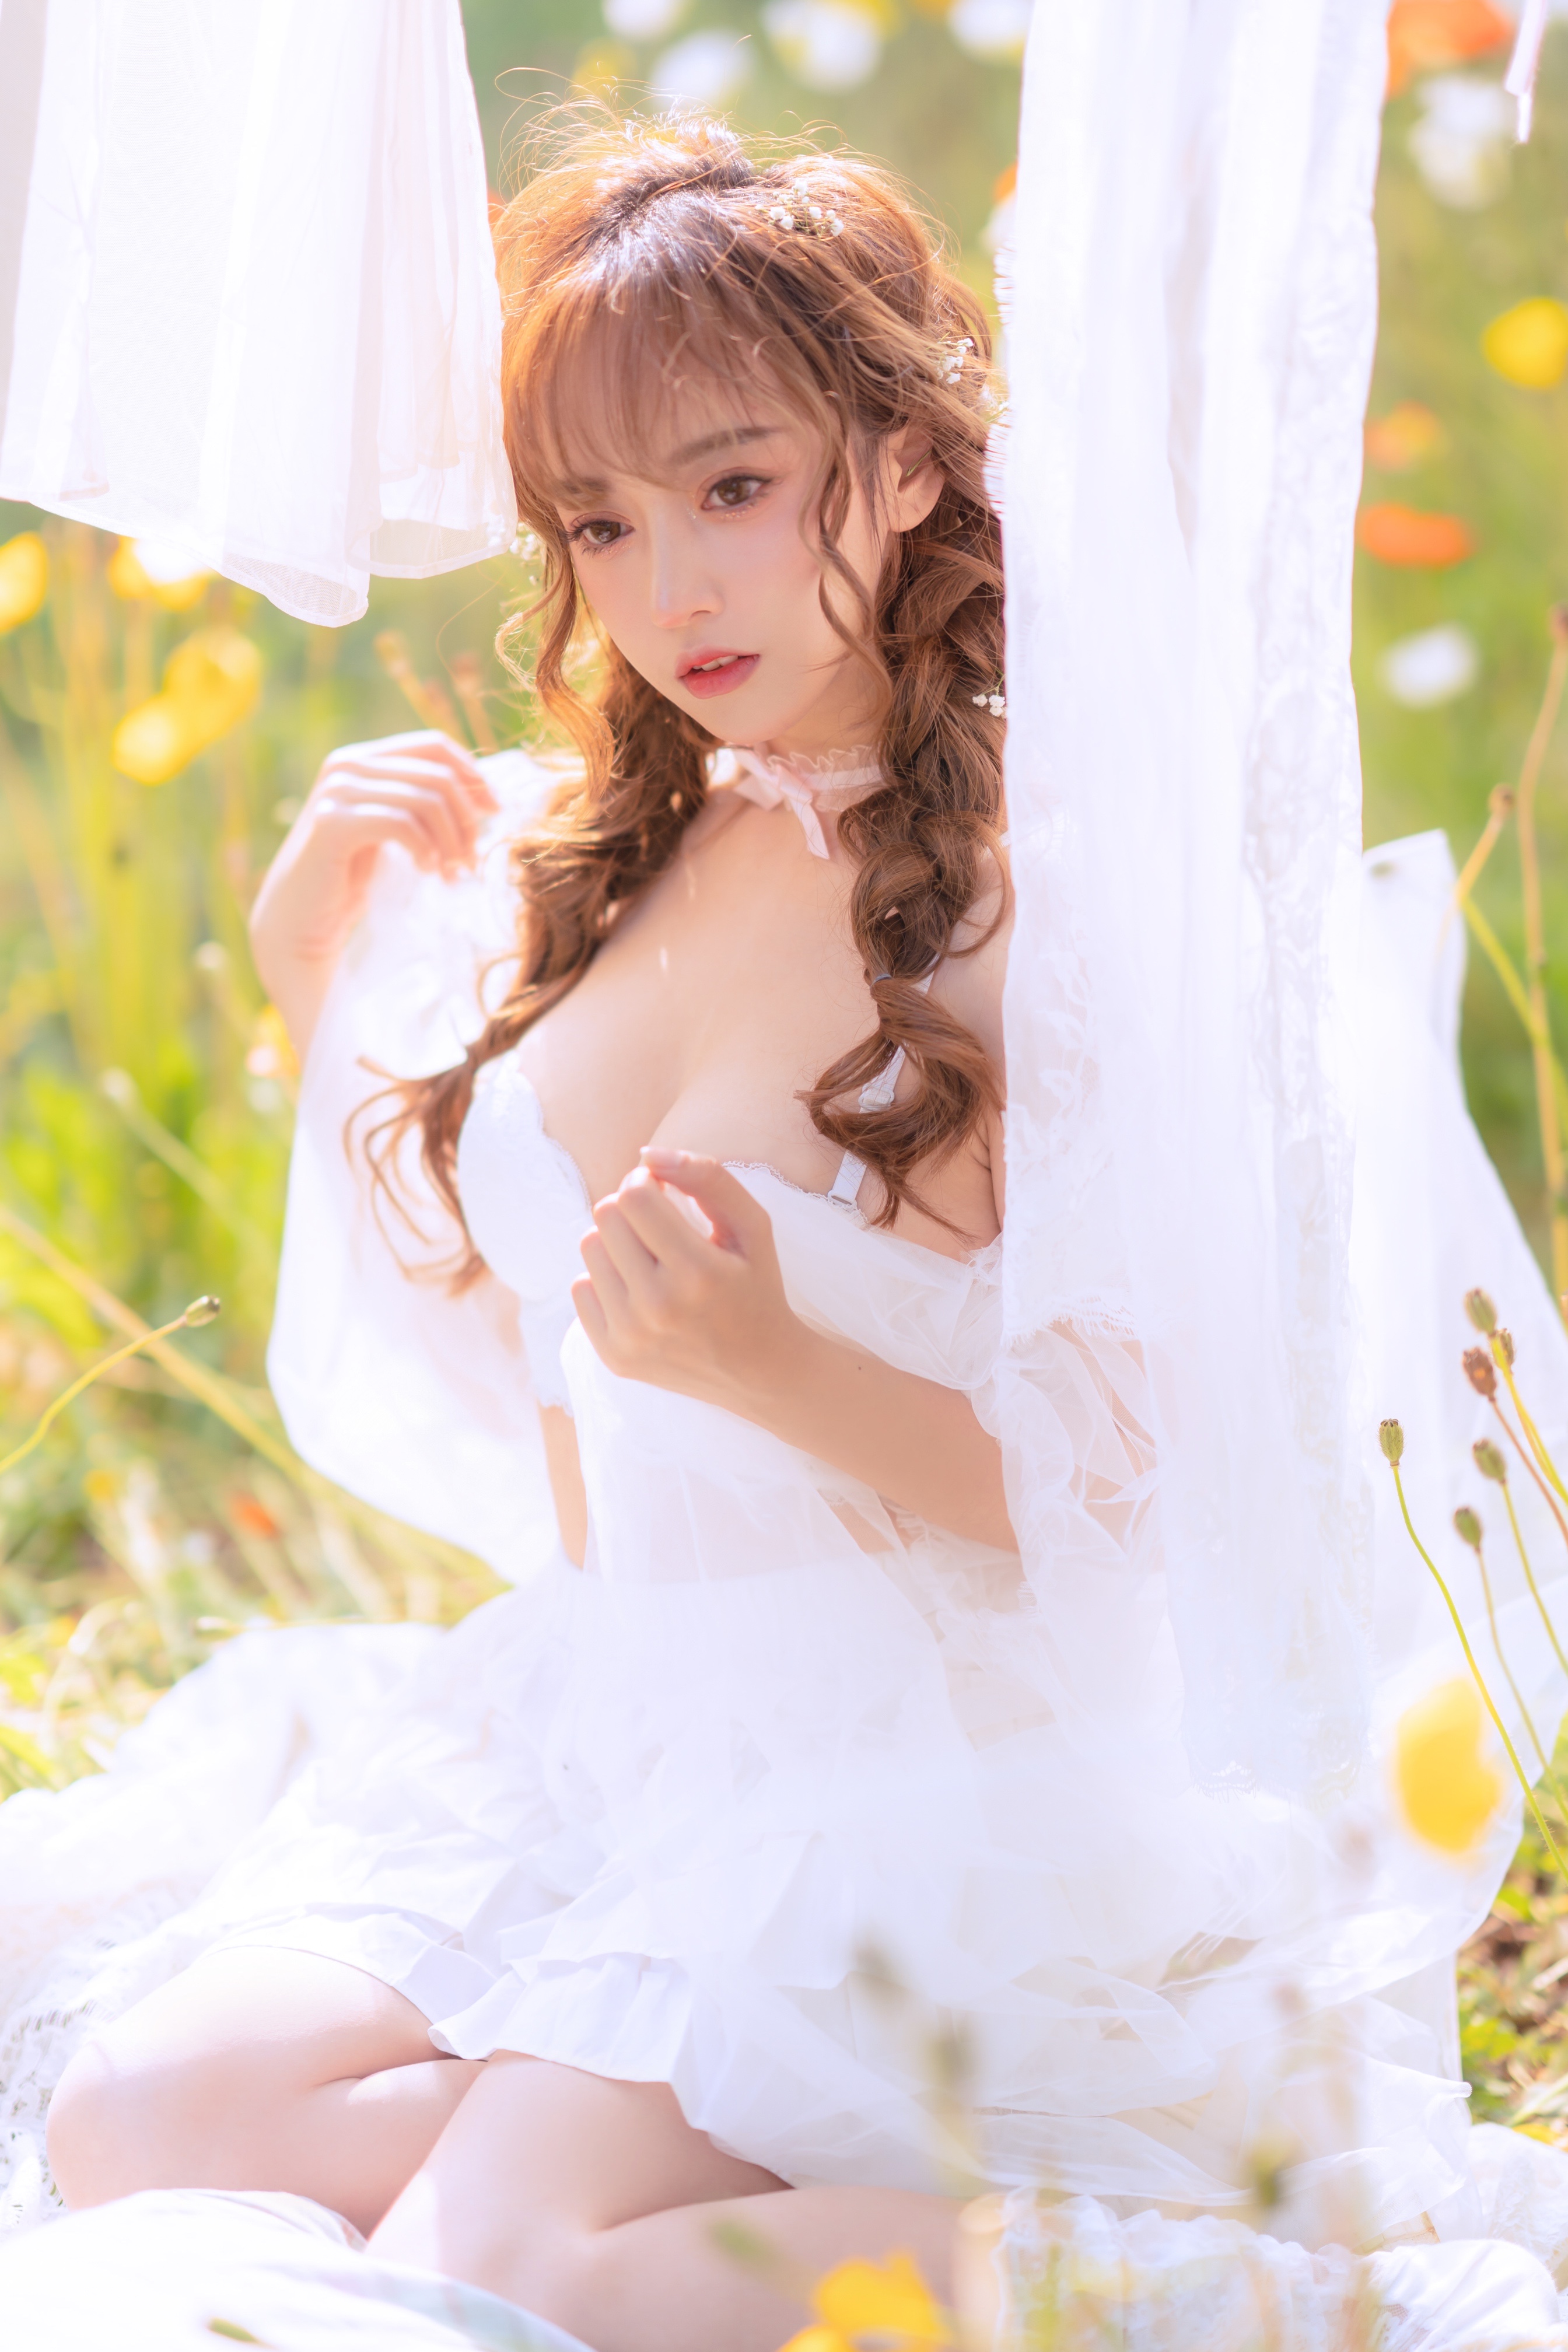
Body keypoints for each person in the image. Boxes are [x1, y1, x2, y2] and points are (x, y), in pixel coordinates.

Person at [44, 115, 1039, 2351]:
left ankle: (1217, 2277)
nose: (670, 590)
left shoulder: (1016, 912)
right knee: (136, 2123)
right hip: (616, 1714)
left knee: (490, 2277)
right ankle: (619, 2134)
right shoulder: (619, 846)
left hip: (895, 1763)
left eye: (733, 488)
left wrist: (782, 1368)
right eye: (599, 521)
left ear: (903, 463)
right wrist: (314, 992)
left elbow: (1155, 1508)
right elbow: (527, 1352)